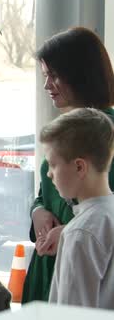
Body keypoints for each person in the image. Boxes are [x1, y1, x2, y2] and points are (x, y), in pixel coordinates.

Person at [22, 26, 114, 303]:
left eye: (54, 76)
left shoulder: (107, 131)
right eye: (44, 76)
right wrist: (37, 210)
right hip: (49, 263)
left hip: (88, 257)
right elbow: (45, 192)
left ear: (80, 74)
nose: (47, 85)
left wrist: (77, 231)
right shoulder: (60, 130)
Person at [38, 108, 114, 308]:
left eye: (53, 165)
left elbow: (72, 313)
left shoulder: (80, 232)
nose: (49, 174)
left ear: (80, 167)